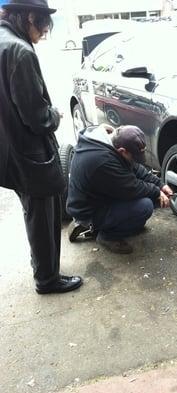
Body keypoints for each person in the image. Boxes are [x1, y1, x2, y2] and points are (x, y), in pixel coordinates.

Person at [0, 0, 83, 294]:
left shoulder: (3, 41)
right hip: (28, 152)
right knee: (43, 217)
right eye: (45, 24)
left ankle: (42, 269)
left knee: (33, 213)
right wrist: (55, 116)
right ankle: (47, 279)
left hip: (10, 149)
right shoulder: (19, 51)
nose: (46, 32)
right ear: (30, 17)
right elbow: (36, 117)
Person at [67, 124, 173, 254]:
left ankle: (92, 225)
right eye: (133, 157)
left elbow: (136, 168)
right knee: (145, 206)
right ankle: (105, 235)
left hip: (96, 197)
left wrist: (161, 184)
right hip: (88, 210)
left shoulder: (109, 142)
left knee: (149, 203)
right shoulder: (102, 161)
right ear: (122, 151)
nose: (135, 160)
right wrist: (157, 192)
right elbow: (132, 187)